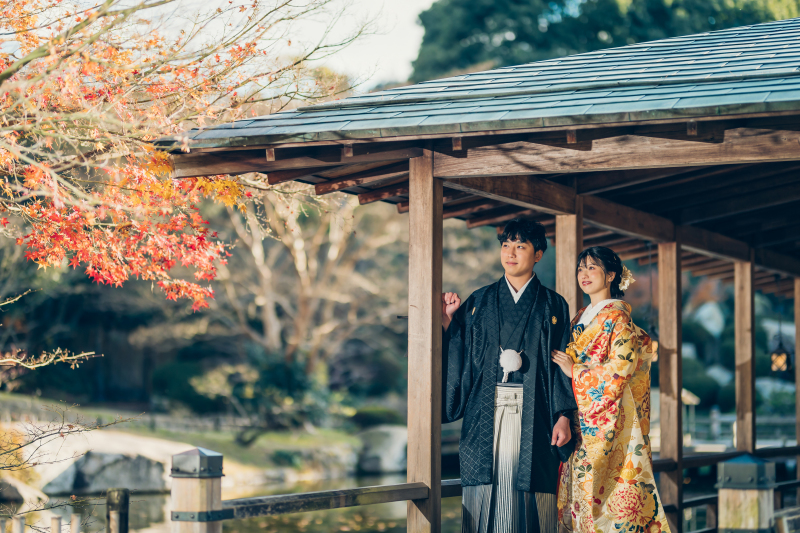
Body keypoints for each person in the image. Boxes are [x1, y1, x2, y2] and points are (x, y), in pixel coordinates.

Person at [442, 218, 578, 533]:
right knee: (485, 494)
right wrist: (448, 322)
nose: (511, 253)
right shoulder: (480, 301)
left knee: (530, 496)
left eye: (520, 246)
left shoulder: (552, 305)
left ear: (538, 254)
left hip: (535, 415)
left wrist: (563, 415)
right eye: (506, 245)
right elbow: (459, 351)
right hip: (485, 412)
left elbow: (561, 363)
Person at [551, 247, 670, 533]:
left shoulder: (618, 319)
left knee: (605, 505)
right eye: (581, 269)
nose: (584, 274)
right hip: (581, 419)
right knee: (578, 504)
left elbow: (621, 368)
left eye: (592, 268)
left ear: (611, 275)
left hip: (606, 424)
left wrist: (576, 372)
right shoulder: (580, 317)